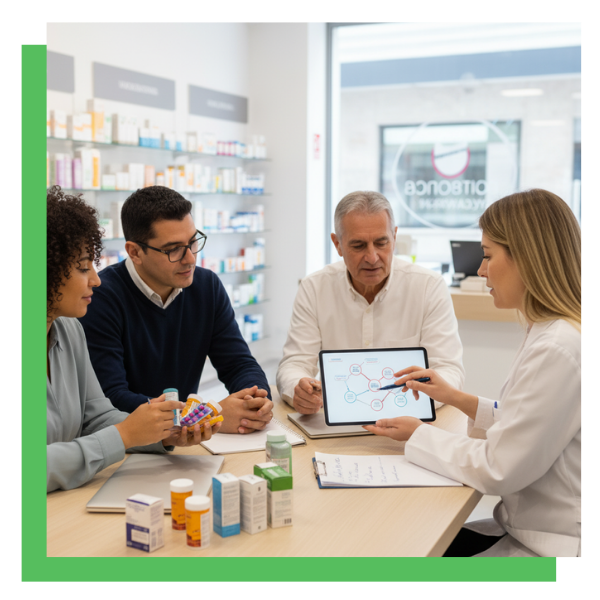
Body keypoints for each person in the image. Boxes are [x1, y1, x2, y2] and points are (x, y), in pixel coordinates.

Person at [364, 189, 582, 558]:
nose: (480, 270)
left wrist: (419, 434)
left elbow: (499, 468)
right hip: (524, 525)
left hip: (551, 544)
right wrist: (458, 399)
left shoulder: (558, 347)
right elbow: (531, 425)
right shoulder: (550, 332)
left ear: (526, 258)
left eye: (487, 255)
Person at [47, 186, 221, 492]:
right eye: (83, 267)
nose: (96, 280)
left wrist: (162, 432)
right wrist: (124, 436)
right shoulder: (100, 306)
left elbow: (97, 416)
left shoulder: (68, 329)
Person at [79, 186, 273, 434]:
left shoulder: (207, 286)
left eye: (193, 242)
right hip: (129, 445)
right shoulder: (100, 298)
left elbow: (238, 363)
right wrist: (206, 415)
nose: (190, 258)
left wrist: (255, 399)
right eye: (173, 249)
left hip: (182, 440)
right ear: (135, 252)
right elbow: (113, 398)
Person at [276, 190, 465, 414]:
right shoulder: (315, 288)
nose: (372, 257)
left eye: (381, 243)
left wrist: (413, 401)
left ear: (394, 237)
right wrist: (299, 388)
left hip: (409, 416)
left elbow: (449, 370)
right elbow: (295, 363)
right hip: (336, 418)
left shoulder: (428, 286)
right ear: (337, 244)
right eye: (358, 246)